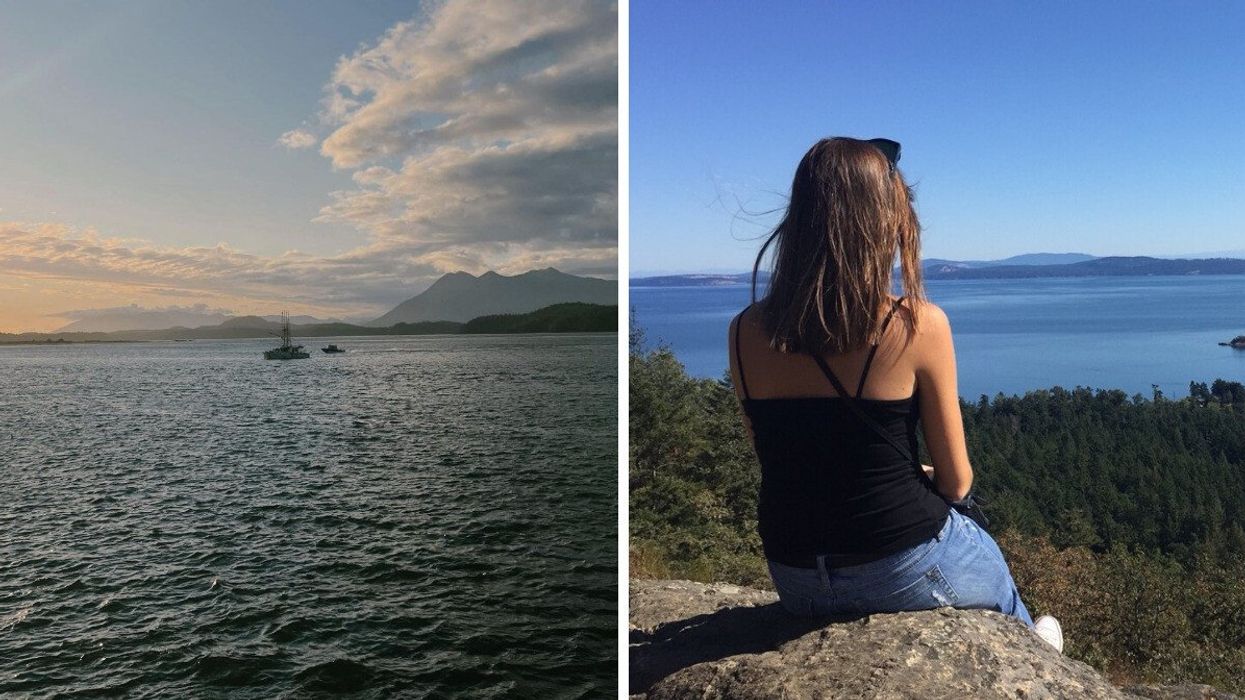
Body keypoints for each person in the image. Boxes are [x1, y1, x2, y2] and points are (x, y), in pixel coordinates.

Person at [728, 136, 1063, 652]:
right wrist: (917, 475)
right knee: (980, 543)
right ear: (884, 222)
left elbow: (782, 461)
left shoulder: (744, 331)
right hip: (899, 566)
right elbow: (956, 482)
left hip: (793, 576)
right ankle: (1034, 649)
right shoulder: (917, 324)